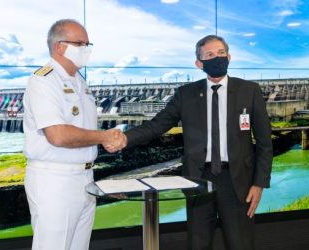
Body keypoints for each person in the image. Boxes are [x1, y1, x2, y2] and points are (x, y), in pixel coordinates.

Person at [105, 35, 273, 250]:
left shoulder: (249, 91)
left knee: (240, 243)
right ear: (199, 64)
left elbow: (264, 141)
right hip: (197, 179)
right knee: (198, 243)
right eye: (210, 55)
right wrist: (126, 138)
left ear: (229, 57)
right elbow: (158, 125)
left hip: (237, 181)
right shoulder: (186, 94)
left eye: (221, 53)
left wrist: (259, 183)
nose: (217, 58)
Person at [23, 19, 122, 250]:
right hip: (55, 180)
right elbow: (58, 135)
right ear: (59, 46)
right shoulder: (43, 80)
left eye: (88, 44)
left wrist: (104, 141)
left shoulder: (80, 82)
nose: (86, 50)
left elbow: (83, 129)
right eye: (80, 44)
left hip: (85, 178)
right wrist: (105, 137)